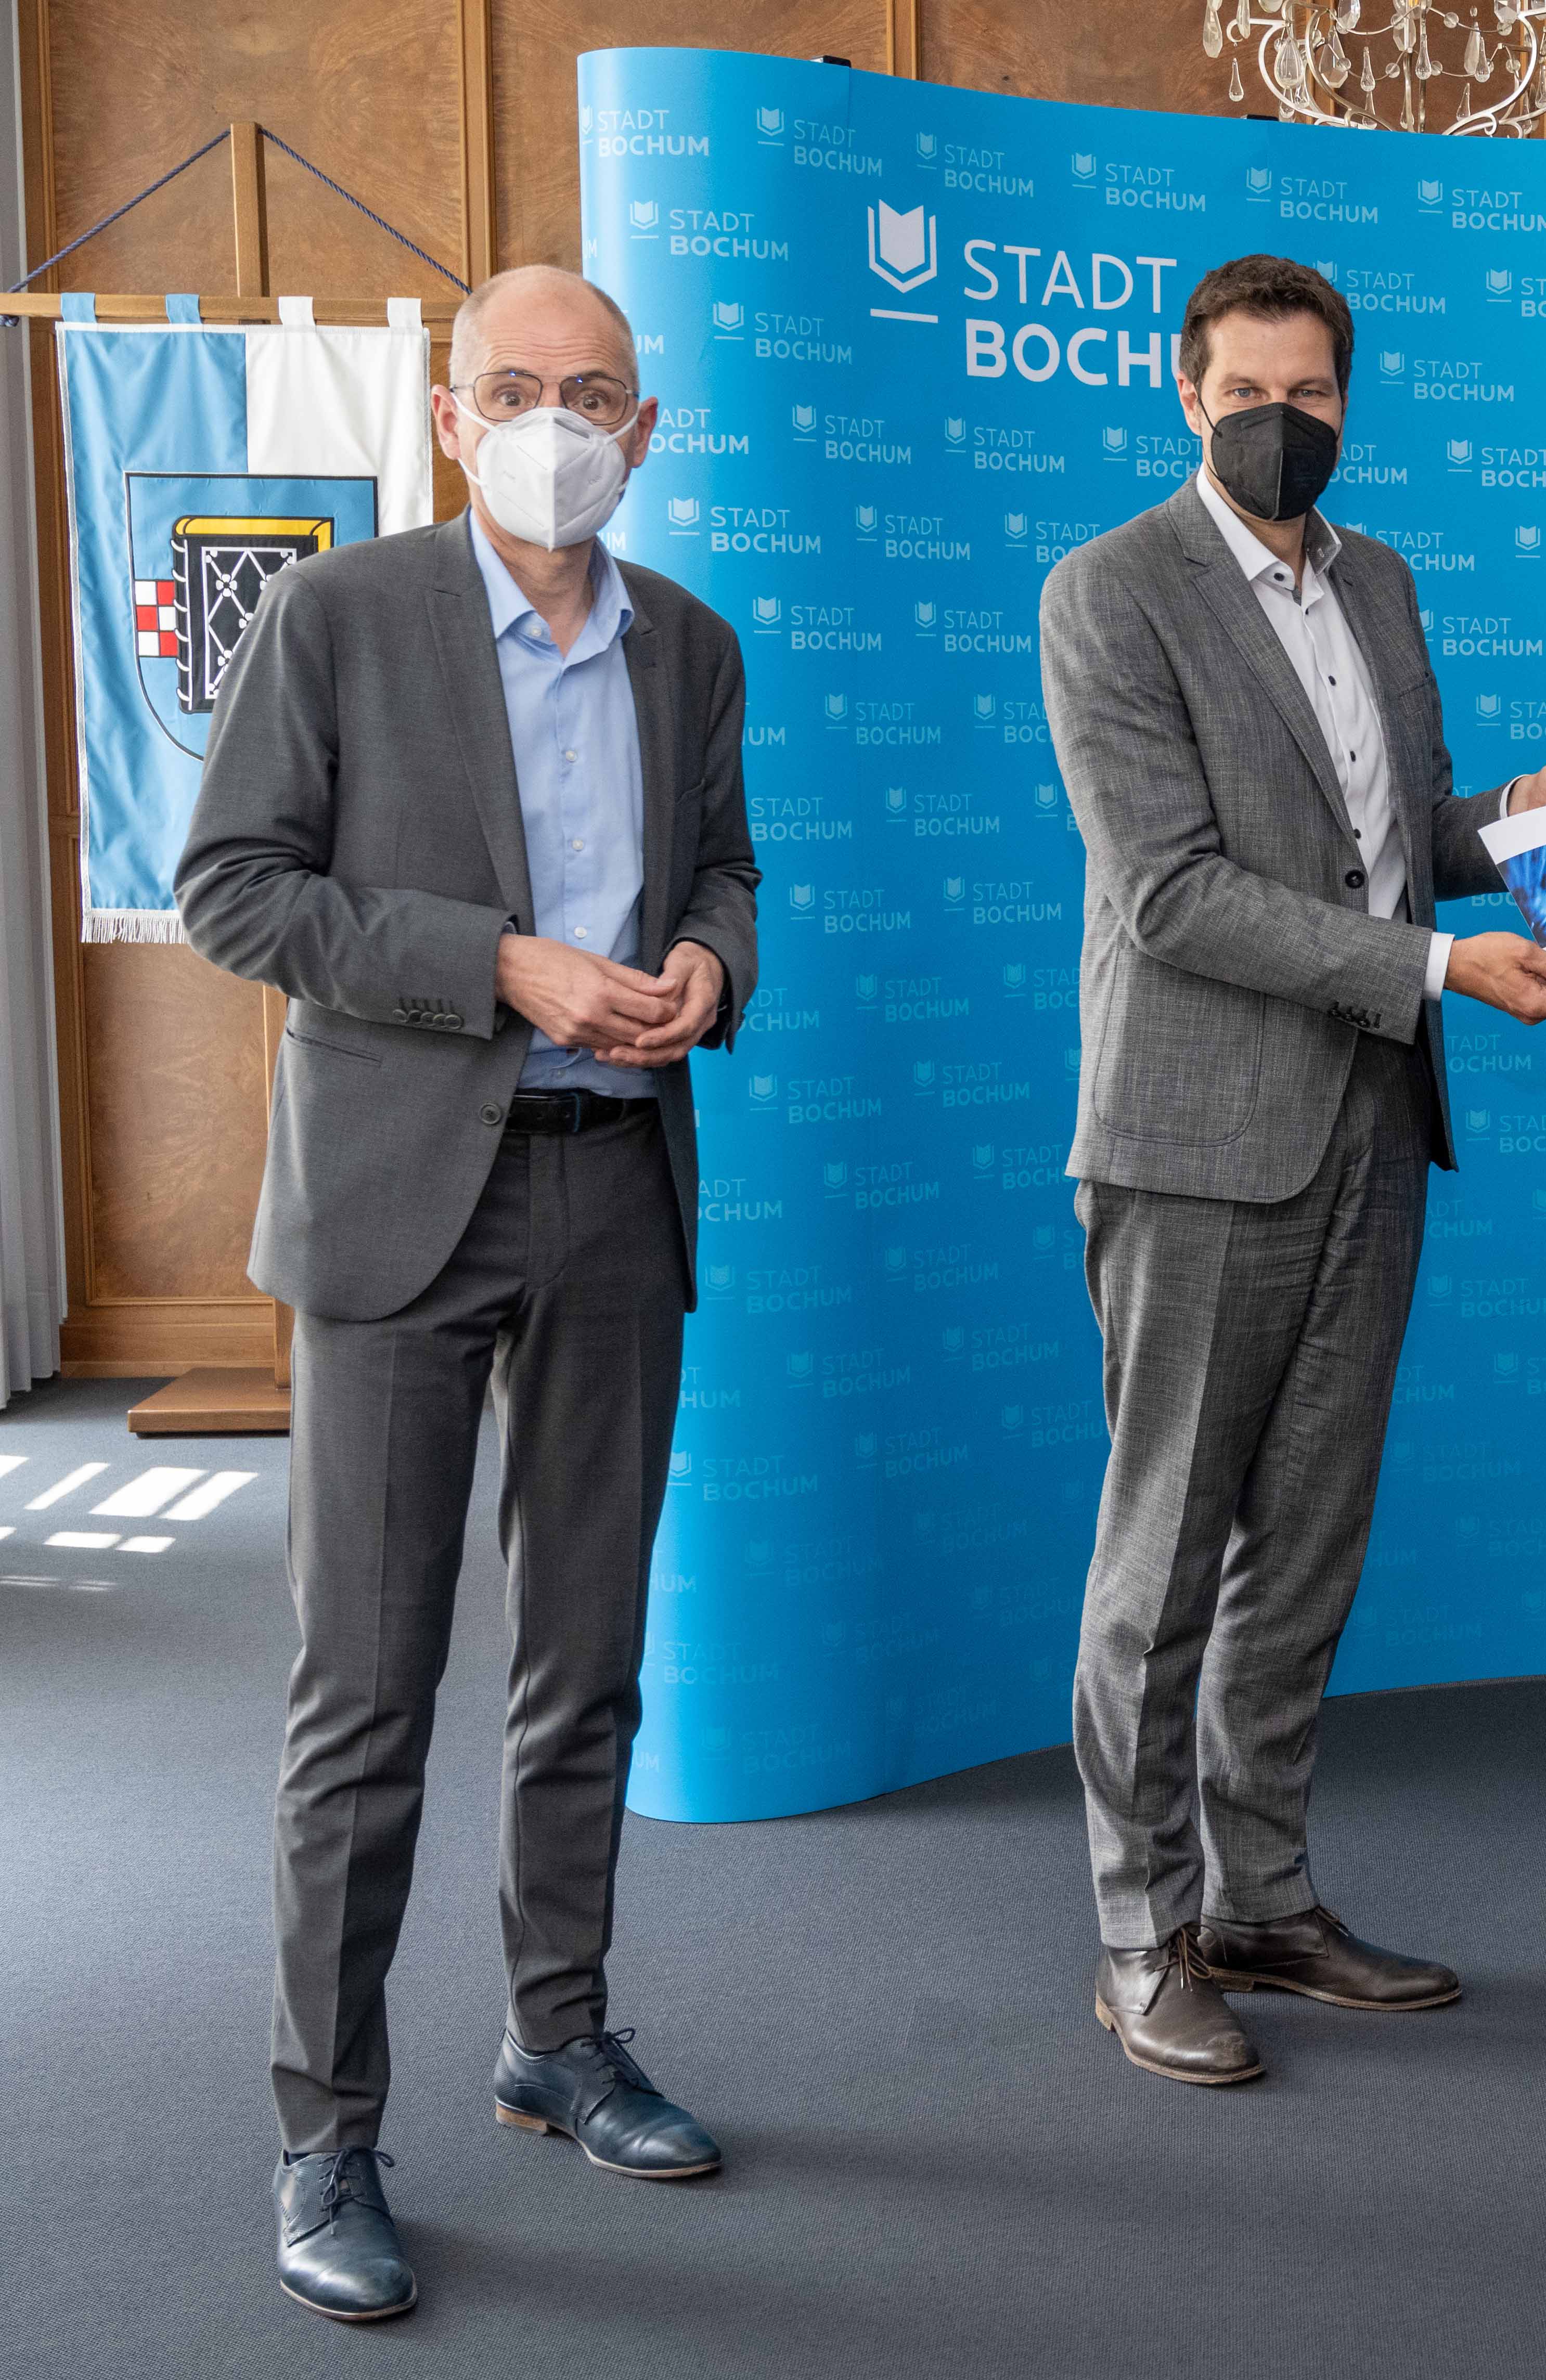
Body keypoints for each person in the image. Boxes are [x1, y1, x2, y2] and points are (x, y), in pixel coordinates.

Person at [177, 263, 758, 2322]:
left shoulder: (693, 647)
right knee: (367, 1696)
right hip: (400, 1203)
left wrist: (709, 964)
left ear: (647, 430)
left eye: (593, 391)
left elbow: (721, 870)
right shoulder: (340, 619)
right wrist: (494, 963)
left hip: (616, 1189)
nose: (555, 419)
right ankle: (326, 2132)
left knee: (582, 1664)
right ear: (450, 414)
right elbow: (229, 884)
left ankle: (558, 2035)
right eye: (515, 387)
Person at [1045, 253, 1546, 2089]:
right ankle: (1142, 1931)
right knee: (1165, 1562)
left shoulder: (1381, 581)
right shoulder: (1111, 593)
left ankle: (1264, 1898)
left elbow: (1382, 849)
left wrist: (1505, 828)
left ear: (1350, 403)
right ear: (1184, 396)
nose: (1285, 424)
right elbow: (1175, 891)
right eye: (1248, 395)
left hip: (1377, 1125)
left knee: (1306, 1548)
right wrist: (1445, 967)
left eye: (1316, 394)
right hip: (1198, 1137)